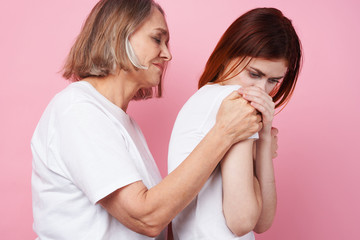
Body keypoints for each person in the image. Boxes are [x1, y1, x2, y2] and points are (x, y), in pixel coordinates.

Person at [31, 0, 263, 239]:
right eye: (157, 39)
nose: (167, 54)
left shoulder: (124, 124)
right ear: (118, 35)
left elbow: (158, 222)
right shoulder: (78, 110)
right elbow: (146, 218)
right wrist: (224, 132)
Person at [168, 7, 302, 240]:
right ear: (228, 54)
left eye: (273, 80)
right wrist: (263, 147)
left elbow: (262, 223)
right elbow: (243, 221)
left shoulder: (203, 99)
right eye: (254, 74)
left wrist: (264, 139)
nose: (260, 91)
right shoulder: (233, 101)